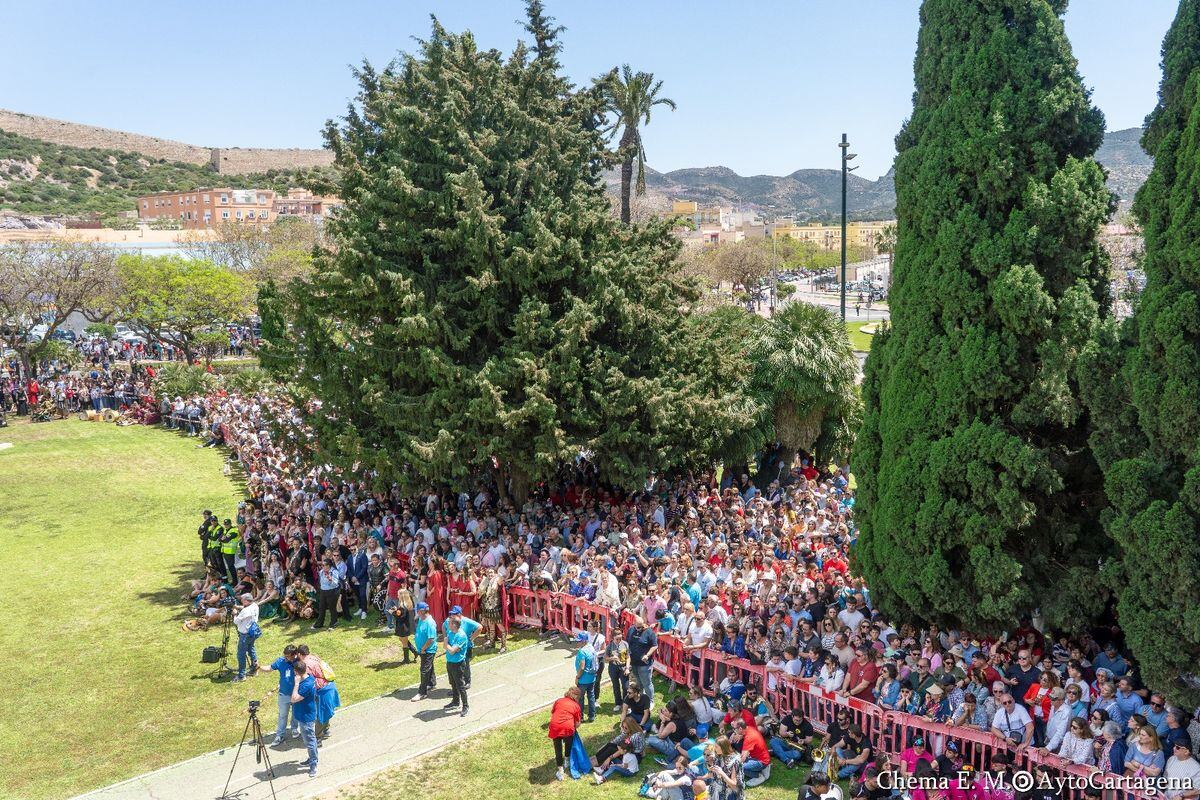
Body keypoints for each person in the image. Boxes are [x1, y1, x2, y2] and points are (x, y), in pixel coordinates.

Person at [258, 644, 299, 746]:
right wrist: (259, 667)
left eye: (287, 656)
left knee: (296, 713)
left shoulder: (299, 662)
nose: (285, 658)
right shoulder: (281, 661)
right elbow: (270, 668)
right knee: (282, 715)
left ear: (294, 655)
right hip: (283, 694)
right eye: (284, 655)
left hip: (296, 693)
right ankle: (280, 735)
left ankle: (294, 728)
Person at [290, 659, 319, 778]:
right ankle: (312, 758)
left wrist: (296, 684)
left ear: (297, 672)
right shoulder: (309, 678)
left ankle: (313, 764)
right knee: (309, 740)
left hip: (306, 717)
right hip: (303, 714)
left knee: (310, 741)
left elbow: (293, 699)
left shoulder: (305, 685)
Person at [548, 686, 583, 782]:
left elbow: (553, 712)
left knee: (558, 749)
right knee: (568, 743)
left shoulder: (559, 701)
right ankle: (567, 760)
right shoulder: (576, 706)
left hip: (555, 726)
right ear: (577, 697)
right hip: (567, 727)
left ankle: (560, 771)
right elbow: (577, 724)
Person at [444, 605, 480, 689]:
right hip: (454, 646)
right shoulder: (450, 620)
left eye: (454, 614)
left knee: (465, 665)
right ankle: (458, 684)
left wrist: (471, 638)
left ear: (459, 614)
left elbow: (479, 627)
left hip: (466, 647)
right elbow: (444, 626)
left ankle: (467, 682)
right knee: (457, 667)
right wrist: (446, 636)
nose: (452, 616)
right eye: (451, 614)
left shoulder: (467, 621)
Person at [627, 615, 659, 706]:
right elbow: (628, 643)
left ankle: (650, 701)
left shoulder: (649, 632)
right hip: (634, 662)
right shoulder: (631, 630)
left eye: (641, 626)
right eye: (638, 627)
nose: (639, 629)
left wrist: (647, 655)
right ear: (634, 623)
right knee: (638, 682)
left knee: (647, 683)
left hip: (645, 664)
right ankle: (641, 698)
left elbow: (655, 645)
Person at [731, 717, 770, 787]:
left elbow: (742, 759)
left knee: (739, 766)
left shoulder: (749, 738)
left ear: (740, 729)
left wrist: (732, 764)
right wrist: (741, 736)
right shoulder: (749, 728)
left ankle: (759, 776)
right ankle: (762, 768)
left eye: (734, 729)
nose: (734, 731)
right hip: (763, 757)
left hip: (761, 761)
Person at [443, 616, 470, 716]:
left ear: (454, 624)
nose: (447, 624)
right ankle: (455, 701)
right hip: (450, 662)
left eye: (449, 623)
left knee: (460, 686)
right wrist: (449, 647)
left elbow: (451, 650)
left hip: (458, 664)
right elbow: (446, 647)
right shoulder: (450, 633)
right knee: (453, 683)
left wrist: (447, 645)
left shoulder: (461, 636)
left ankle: (465, 706)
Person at [232, 593, 261, 682]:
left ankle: (241, 675)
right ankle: (254, 669)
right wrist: (238, 607)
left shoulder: (245, 611)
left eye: (242, 600)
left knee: (241, 654)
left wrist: (235, 614)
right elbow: (246, 608)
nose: (241, 601)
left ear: (245, 601)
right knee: (251, 649)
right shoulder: (255, 605)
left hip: (245, 634)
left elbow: (236, 621)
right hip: (253, 632)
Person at [413, 601, 438, 701]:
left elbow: (431, 639)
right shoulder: (421, 619)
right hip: (423, 649)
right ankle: (431, 683)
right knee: (429, 667)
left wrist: (423, 648)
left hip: (428, 650)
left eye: (418, 611)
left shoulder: (430, 622)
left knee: (424, 670)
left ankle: (422, 693)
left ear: (422, 611)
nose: (417, 612)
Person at [574, 631, 600, 723]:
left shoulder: (582, 651)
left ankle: (580, 717)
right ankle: (592, 716)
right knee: (591, 696)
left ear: (584, 641)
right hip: (592, 678)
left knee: (580, 699)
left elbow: (582, 667)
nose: (577, 642)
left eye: (579, 641)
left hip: (583, 679)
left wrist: (577, 677)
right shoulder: (591, 648)